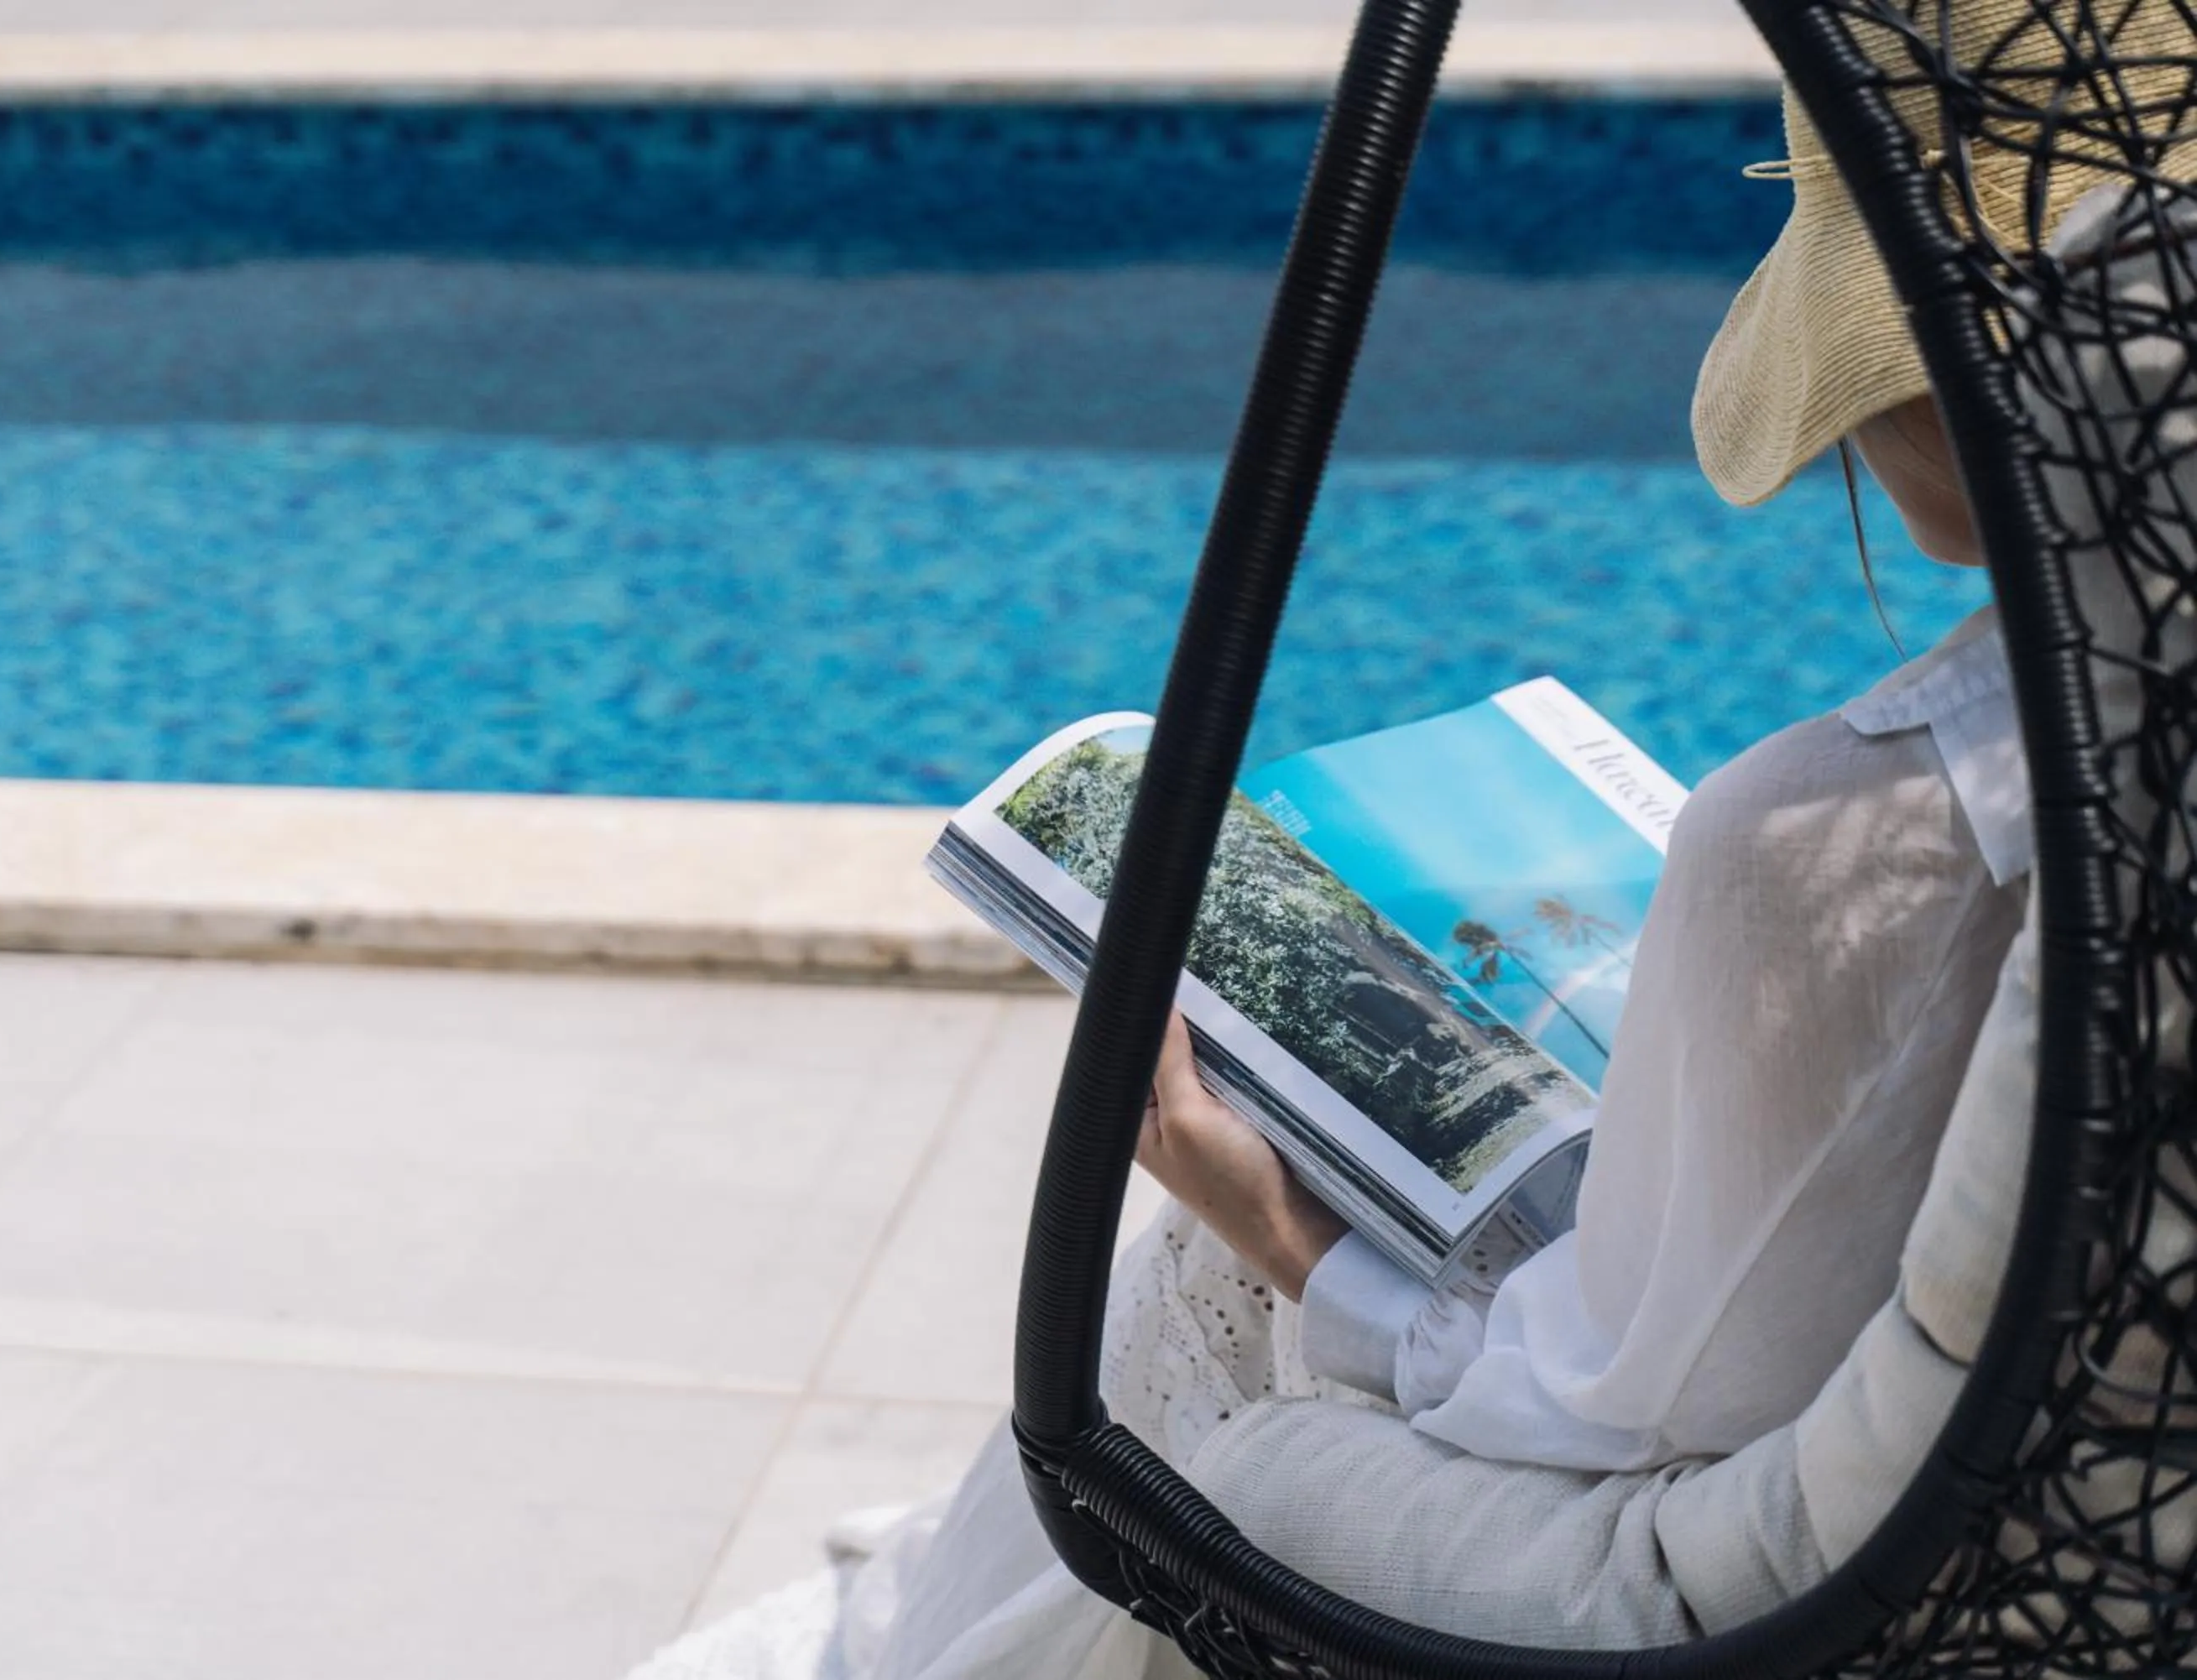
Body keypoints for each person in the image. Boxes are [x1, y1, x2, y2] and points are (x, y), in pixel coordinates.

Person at [628, 8, 2121, 1672]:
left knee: (1226, 1277)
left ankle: (896, 1637)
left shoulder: (1845, 842)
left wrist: (1276, 1224)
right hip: (2055, 1505)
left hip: (1758, 1574)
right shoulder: (2121, 766)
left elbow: (1607, 1406)